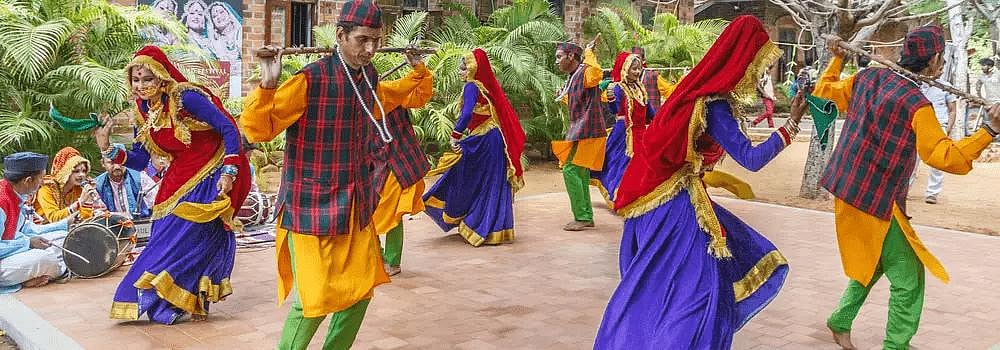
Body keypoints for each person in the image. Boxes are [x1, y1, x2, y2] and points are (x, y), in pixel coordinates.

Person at [595, 16, 803, 349]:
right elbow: (751, 159)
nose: (757, 75)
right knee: (699, 293)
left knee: (657, 285)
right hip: (677, 209)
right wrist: (791, 125)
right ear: (740, 62)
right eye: (756, 65)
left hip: (658, 199)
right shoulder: (714, 106)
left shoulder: (695, 94)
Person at [241, 0, 432, 347]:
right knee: (313, 302)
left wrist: (418, 71)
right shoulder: (310, 80)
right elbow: (260, 129)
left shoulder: (370, 79)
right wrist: (268, 85)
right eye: (362, 40)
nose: (371, 49)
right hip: (308, 206)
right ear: (341, 36)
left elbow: (402, 96)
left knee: (360, 292)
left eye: (376, 39)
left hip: (355, 206)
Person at [815, 28, 1000, 350]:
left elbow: (824, 91)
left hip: (848, 189)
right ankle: (896, 345)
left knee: (874, 262)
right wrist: (990, 129)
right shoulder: (918, 105)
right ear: (933, 60)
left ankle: (841, 320)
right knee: (909, 279)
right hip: (876, 200)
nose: (943, 63)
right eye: (942, 57)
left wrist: (837, 58)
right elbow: (946, 157)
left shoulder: (868, 78)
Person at [94, 45, 252, 324]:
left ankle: (167, 298)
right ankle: (171, 301)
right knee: (165, 237)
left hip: (212, 170)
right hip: (180, 176)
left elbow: (228, 127)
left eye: (147, 79)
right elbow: (142, 159)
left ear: (161, 76)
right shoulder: (144, 109)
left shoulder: (186, 97)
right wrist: (107, 148)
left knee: (187, 238)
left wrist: (229, 171)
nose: (141, 86)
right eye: (136, 79)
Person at [423, 48, 525, 247]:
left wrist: (455, 136)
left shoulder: (472, 86)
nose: (461, 72)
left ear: (472, 69)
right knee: (492, 182)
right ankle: (495, 229)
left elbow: (467, 114)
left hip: (485, 140)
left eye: (463, 68)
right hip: (495, 140)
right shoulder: (485, 87)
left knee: (464, 176)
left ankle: (477, 225)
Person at [551, 38, 606, 231]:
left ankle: (582, 216)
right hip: (584, 129)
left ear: (571, 56)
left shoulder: (584, 71)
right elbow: (581, 99)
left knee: (570, 170)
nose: (556, 61)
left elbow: (597, 74)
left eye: (559, 57)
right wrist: (564, 96)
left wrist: (589, 53)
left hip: (587, 130)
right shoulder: (575, 75)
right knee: (580, 170)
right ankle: (585, 216)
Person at [0, 152, 74, 294]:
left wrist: (65, 224)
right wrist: (28, 243)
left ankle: (35, 274)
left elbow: (28, 230)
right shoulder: (1, 201)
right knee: (46, 258)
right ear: (28, 180)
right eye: (41, 178)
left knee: (65, 237)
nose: (43, 182)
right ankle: (27, 278)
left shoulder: (14, 194)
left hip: (12, 251)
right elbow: (27, 238)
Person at [374, 102, 434, 275]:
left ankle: (387, 261)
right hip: (383, 167)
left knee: (391, 214)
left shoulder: (386, 101)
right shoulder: (382, 100)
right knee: (380, 216)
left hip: (395, 168)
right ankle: (382, 260)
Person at [590, 52, 652, 206]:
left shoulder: (641, 88)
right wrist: (611, 97)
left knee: (640, 165)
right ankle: (618, 196)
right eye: (634, 69)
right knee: (620, 164)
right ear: (625, 69)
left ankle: (636, 195)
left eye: (639, 69)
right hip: (623, 133)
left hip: (640, 133)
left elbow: (649, 112)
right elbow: (615, 109)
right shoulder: (617, 88)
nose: (637, 72)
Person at [917, 77, 957, 204]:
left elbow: (952, 110)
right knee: (913, 159)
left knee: (938, 161)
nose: (939, 70)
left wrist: (948, 128)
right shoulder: (918, 84)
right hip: (920, 125)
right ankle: (904, 189)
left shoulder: (946, 87)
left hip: (940, 126)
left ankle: (932, 193)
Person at [33, 147, 96, 223]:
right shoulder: (46, 188)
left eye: (84, 171)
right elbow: (53, 218)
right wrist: (79, 203)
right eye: (76, 171)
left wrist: (88, 200)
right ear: (65, 171)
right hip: (44, 230)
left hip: (69, 230)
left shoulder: (78, 189)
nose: (81, 175)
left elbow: (84, 220)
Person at [628, 46, 676, 112]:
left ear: (643, 60)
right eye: (632, 58)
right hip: (634, 120)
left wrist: (685, 80)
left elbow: (669, 91)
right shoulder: (626, 79)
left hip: (652, 119)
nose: (635, 61)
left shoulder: (653, 76)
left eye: (638, 58)